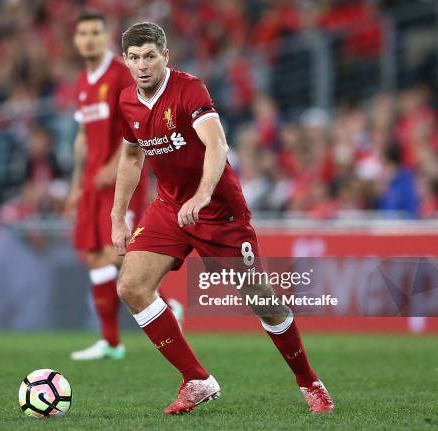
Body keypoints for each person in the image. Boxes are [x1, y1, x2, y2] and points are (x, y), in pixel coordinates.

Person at [111, 22, 334, 414]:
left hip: (218, 211)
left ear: (165, 56)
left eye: (149, 56)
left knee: (261, 299)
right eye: (134, 58)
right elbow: (131, 157)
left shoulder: (189, 89)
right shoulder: (127, 101)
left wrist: (203, 193)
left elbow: (216, 143)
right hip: (169, 207)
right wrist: (118, 215)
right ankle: (196, 379)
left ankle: (308, 381)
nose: (142, 65)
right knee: (131, 286)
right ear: (125, 61)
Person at [66, 12, 183, 360]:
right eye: (82, 32)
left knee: (112, 252)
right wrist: (76, 183)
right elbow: (83, 138)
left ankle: (162, 305)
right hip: (91, 183)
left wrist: (113, 162)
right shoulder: (82, 83)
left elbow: (136, 119)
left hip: (121, 180)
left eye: (95, 32)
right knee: (94, 256)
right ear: (75, 40)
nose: (88, 39)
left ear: (106, 37)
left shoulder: (123, 71)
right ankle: (112, 342)